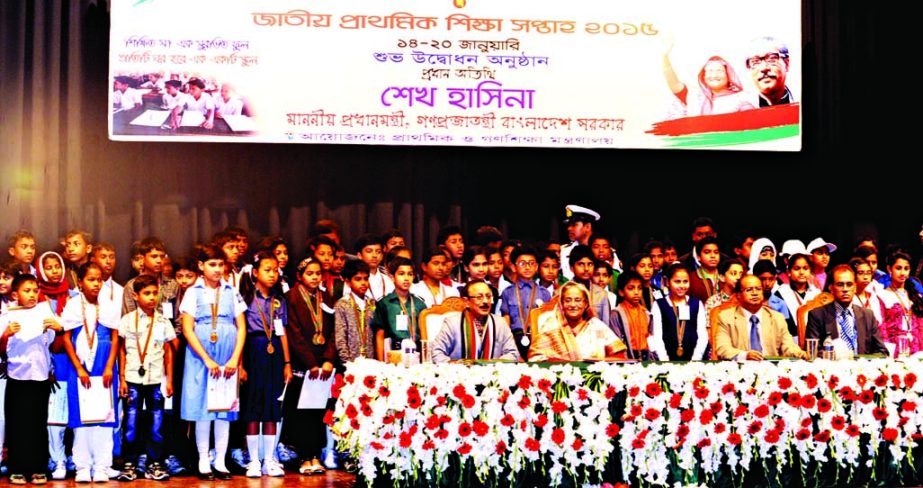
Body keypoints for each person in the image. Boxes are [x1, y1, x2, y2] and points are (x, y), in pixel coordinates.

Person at [179, 245, 247, 481]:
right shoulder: (193, 292)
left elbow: (242, 327)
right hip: (201, 356)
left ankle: (220, 459)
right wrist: (206, 358)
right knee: (202, 407)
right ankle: (203, 459)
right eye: (212, 264)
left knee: (224, 407)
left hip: (227, 354)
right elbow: (187, 329)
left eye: (221, 264)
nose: (218, 269)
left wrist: (235, 358)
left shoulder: (231, 291)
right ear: (201, 266)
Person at [60, 263, 121, 483]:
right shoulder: (74, 305)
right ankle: (82, 466)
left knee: (105, 416)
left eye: (99, 280)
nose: (96, 284)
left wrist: (109, 366)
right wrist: (78, 367)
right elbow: (66, 338)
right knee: (81, 416)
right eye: (91, 279)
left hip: (104, 363)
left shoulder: (110, 305)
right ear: (81, 282)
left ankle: (102, 466)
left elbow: (115, 337)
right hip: (80, 366)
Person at [2, 274, 64, 485]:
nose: (31, 294)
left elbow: (54, 347)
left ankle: (38, 468)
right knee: (17, 423)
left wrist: (58, 329)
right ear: (15, 294)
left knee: (38, 423)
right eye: (26, 290)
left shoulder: (45, 311)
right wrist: (5, 335)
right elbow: (1, 349)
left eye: (35, 290)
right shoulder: (7, 314)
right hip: (17, 376)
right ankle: (17, 468)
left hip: (40, 376)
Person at [116, 274, 178, 482]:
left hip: (156, 380)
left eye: (155, 293)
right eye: (147, 293)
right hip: (133, 378)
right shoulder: (127, 320)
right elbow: (121, 351)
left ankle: (154, 463)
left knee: (156, 422)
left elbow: (169, 351)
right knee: (131, 422)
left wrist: (169, 380)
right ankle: (130, 463)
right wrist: (122, 378)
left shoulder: (162, 321)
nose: (152, 298)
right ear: (135, 295)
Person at [237, 252, 291, 478]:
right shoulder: (246, 299)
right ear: (255, 273)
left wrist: (287, 362)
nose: (272, 274)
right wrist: (240, 364)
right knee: (252, 407)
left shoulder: (279, 301)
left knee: (271, 408)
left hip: (274, 352)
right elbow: (239, 331)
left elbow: (282, 332)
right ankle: (253, 460)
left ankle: (269, 459)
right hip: (252, 349)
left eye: (275, 270)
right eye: (267, 270)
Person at [283, 258, 336, 475]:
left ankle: (316, 455)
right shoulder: (291, 297)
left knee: (318, 411)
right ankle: (304, 457)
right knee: (301, 411)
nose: (314, 277)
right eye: (309, 273)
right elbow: (293, 333)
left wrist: (328, 360)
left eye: (318, 273)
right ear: (300, 275)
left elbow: (333, 331)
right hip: (303, 364)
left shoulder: (327, 298)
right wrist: (311, 363)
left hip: (323, 365)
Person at [713, 274, 806, 361]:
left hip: (771, 370)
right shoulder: (726, 317)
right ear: (738, 295)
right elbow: (722, 347)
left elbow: (788, 345)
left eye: (758, 289)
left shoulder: (777, 318)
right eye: (749, 290)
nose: (755, 293)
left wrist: (798, 353)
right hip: (739, 369)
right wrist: (745, 355)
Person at [529, 282, 626, 361]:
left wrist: (597, 363)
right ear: (561, 304)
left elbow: (619, 357)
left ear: (586, 303)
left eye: (578, 300)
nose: (573, 305)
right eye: (567, 300)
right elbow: (536, 358)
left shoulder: (596, 326)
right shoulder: (551, 325)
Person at [806, 265, 888, 356]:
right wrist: (835, 355)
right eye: (840, 285)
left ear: (855, 288)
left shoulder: (868, 315)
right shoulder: (817, 315)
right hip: (832, 367)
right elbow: (812, 352)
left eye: (849, 284)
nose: (845, 289)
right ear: (831, 288)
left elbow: (882, 351)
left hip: (862, 368)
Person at [661, 39, 754, 118]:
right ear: (704, 77)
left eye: (719, 71)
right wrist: (665, 57)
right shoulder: (695, 98)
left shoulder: (740, 98)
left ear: (728, 75)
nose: (714, 75)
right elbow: (674, 84)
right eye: (710, 71)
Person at [431, 280, 519, 363]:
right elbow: (437, 353)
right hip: (461, 376)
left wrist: (492, 364)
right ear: (466, 302)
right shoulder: (452, 323)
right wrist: (456, 365)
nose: (485, 301)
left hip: (493, 375)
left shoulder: (500, 323)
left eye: (488, 297)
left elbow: (513, 354)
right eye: (479, 297)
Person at [648, 263, 708, 361]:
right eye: (677, 281)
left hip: (695, 359)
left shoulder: (696, 304)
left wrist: (696, 359)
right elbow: (657, 336)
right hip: (666, 359)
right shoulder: (659, 305)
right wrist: (664, 360)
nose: (682, 285)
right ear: (667, 282)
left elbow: (702, 335)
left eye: (685, 281)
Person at [500, 246, 551, 357]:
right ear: (513, 267)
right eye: (522, 263)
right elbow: (506, 320)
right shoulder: (507, 292)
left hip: (538, 340)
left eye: (531, 263)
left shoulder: (544, 293)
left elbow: (548, 322)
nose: (527, 267)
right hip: (514, 338)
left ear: (537, 267)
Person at [371, 257, 426, 360]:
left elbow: (424, 335)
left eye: (410, 274)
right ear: (392, 277)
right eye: (401, 274)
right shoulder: (385, 303)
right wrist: (381, 362)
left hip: (415, 353)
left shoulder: (420, 304)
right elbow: (380, 335)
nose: (406, 278)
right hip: (393, 353)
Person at [877, 251, 923, 356]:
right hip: (895, 349)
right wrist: (887, 352)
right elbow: (882, 328)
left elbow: (921, 326)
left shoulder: (914, 295)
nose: (903, 273)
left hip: (916, 348)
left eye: (906, 269)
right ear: (889, 269)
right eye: (898, 268)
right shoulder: (882, 295)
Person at [335, 260, 376, 364]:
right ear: (348, 282)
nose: (363, 283)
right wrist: (347, 363)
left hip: (372, 362)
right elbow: (340, 337)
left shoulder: (373, 304)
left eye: (366, 279)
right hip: (350, 363)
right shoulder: (342, 305)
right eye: (358, 279)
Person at [608, 270, 653, 360]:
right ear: (621, 292)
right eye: (631, 288)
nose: (636, 292)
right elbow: (616, 342)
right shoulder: (616, 314)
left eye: (639, 288)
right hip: (626, 359)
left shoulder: (647, 314)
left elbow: (651, 339)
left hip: (646, 357)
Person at [774, 253, 820, 338]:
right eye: (797, 268)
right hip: (790, 343)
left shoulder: (817, 293)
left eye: (805, 268)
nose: (801, 272)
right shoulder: (780, 294)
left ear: (810, 271)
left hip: (815, 340)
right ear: (789, 272)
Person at [745, 36, 795, 106]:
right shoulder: (742, 110)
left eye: (771, 59)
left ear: (786, 63)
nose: (763, 68)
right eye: (755, 62)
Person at [567, 245, 611, 323]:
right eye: (581, 264)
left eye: (590, 264)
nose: (586, 269)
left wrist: (594, 318)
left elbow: (606, 326)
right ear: (571, 267)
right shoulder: (561, 292)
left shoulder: (601, 294)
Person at [559, 205, 600, 281]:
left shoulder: (603, 251)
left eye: (574, 225)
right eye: (569, 225)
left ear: (587, 227)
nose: (569, 228)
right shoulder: (564, 251)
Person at [352, 234, 393, 301]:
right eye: (369, 251)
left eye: (378, 252)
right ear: (359, 255)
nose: (374, 255)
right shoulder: (353, 280)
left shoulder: (389, 280)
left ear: (382, 255)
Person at [850, 257, 882, 324]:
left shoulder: (873, 296)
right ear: (853, 274)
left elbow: (879, 321)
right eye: (861, 273)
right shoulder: (850, 298)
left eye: (868, 273)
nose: (865, 277)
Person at [688, 236, 721, 302]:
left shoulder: (725, 275)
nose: (713, 256)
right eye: (707, 252)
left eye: (716, 252)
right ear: (698, 257)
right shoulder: (691, 278)